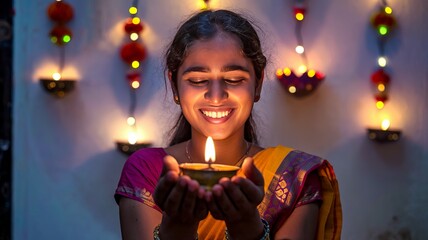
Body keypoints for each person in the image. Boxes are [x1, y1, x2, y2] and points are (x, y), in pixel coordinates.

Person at [114, 9, 342, 240]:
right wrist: (177, 228)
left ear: (258, 83)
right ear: (174, 86)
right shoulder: (147, 171)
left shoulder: (294, 177)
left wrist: (247, 228)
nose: (216, 96)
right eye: (198, 80)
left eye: (234, 79)